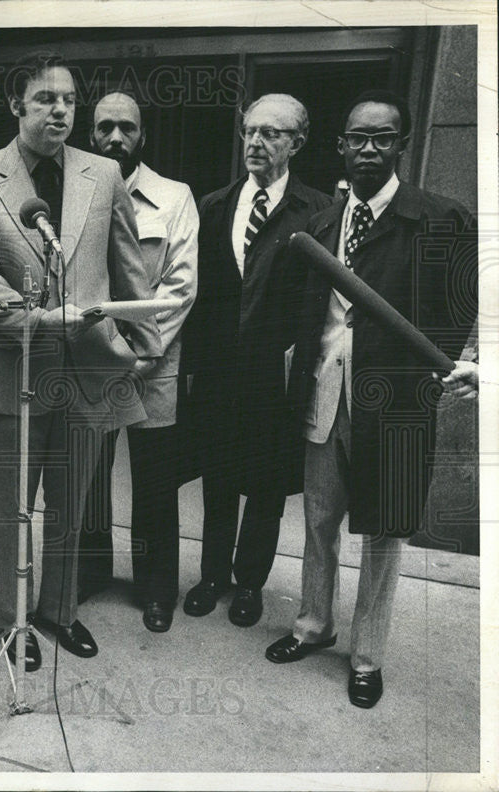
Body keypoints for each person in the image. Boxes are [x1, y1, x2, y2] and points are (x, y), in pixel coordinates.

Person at [265, 89, 478, 708]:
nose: (367, 148)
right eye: (357, 137)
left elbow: (465, 303)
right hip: (326, 395)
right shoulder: (322, 224)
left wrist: (451, 365)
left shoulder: (440, 219)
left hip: (400, 402)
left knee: (385, 532)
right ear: (340, 145)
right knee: (320, 520)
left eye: (382, 137)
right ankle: (312, 624)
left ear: (402, 145)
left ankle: (367, 656)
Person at [0, 52, 162, 670]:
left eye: (68, 100)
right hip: (12, 371)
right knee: (12, 509)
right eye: (44, 99)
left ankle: (60, 611)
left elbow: (129, 269)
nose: (60, 110)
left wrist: (143, 349)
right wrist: (40, 318)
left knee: (73, 509)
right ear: (16, 106)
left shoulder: (104, 173)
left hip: (90, 373)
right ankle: (13, 622)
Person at [181, 94, 332, 627]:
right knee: (218, 479)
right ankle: (212, 575)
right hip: (221, 369)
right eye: (250, 131)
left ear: (297, 142)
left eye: (271, 133)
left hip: (277, 373)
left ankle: (249, 584)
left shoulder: (317, 212)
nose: (256, 142)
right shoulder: (214, 205)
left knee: (266, 486)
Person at [80, 91, 198, 632]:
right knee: (88, 477)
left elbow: (180, 288)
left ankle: (155, 589)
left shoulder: (175, 198)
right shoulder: (73, 193)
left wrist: (143, 354)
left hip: (154, 367)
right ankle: (89, 572)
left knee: (154, 484)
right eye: (105, 127)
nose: (115, 139)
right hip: (93, 364)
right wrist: (104, 354)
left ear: (142, 136)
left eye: (127, 128)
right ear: (91, 133)